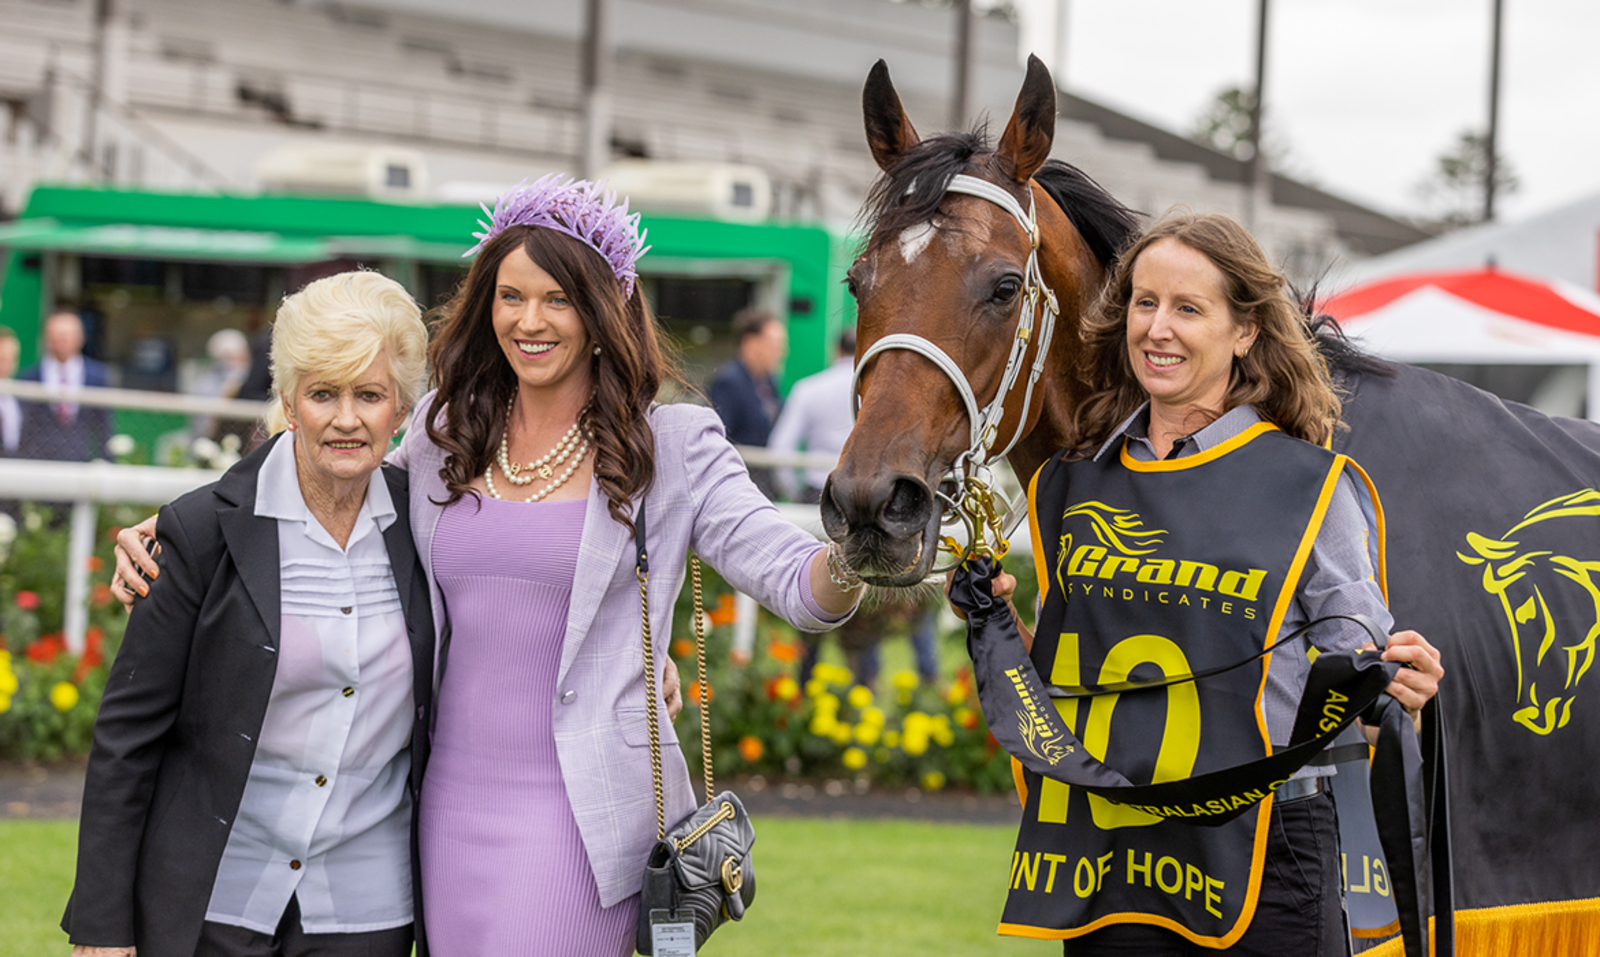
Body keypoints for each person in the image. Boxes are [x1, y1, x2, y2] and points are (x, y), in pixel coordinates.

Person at [115, 174, 864, 957]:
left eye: (557, 299)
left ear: (604, 310)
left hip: (581, 826)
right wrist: (187, 530)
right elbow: (326, 489)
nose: (529, 321)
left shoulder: (673, 445)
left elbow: (799, 584)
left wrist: (861, 550)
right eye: (511, 296)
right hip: (445, 811)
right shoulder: (443, 434)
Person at [971, 213, 1443, 956]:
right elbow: (1067, 677)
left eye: (1188, 308)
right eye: (1145, 302)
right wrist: (995, 623)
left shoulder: (1310, 486)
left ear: (1245, 330)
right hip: (1109, 854)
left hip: (1268, 856)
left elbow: (1360, 675)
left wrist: (1399, 683)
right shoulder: (1070, 482)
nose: (1158, 329)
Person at [67, 272, 436, 957]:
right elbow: (128, 736)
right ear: (289, 402)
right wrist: (101, 924)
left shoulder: (432, 529)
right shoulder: (201, 531)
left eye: (369, 395)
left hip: (366, 903)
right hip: (215, 894)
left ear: (401, 409)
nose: (346, 418)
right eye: (323, 393)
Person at [772, 327, 943, 686]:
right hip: (881, 496)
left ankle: (803, 683)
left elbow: (781, 448)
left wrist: (796, 493)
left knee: (813, 587)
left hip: (824, 498)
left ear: (834, 349)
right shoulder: (888, 394)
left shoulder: (809, 389)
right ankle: (887, 679)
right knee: (883, 588)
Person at [707, 306, 787, 497]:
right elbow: (719, 438)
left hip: (763, 486)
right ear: (750, 343)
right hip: (738, 487)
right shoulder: (729, 383)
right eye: (774, 344)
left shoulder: (768, 382)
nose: (781, 352)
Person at [18, 310, 112, 462]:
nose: (61, 340)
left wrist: (107, 461)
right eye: (56, 335)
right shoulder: (29, 377)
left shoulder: (98, 377)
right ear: (46, 338)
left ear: (80, 338)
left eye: (66, 335)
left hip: (81, 461)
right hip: (37, 462)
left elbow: (105, 425)